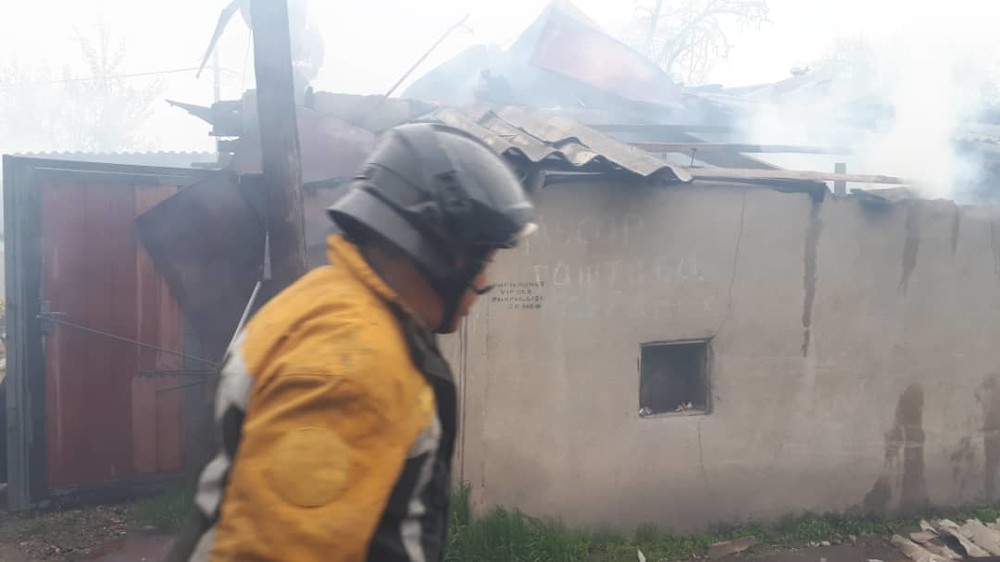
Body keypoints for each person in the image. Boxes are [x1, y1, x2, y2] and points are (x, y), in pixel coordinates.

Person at [168, 122, 536, 562]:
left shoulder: (327, 299)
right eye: (484, 260)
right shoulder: (349, 367)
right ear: (439, 251)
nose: (483, 283)